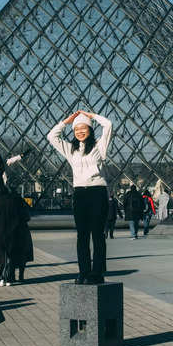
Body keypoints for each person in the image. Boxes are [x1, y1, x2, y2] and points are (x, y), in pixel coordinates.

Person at [47, 110, 112, 284]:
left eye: (84, 128)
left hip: (97, 192)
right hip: (80, 194)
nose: (80, 131)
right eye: (77, 129)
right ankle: (83, 271)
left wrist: (91, 116)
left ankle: (97, 272)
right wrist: (67, 121)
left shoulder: (99, 146)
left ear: (90, 130)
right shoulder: (70, 149)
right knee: (82, 235)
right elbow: (52, 136)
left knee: (98, 235)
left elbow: (108, 125)